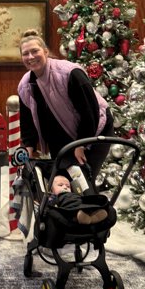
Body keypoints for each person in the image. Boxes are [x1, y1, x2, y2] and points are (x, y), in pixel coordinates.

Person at [17, 30, 114, 181]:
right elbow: (27, 120)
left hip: (94, 129)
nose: (30, 57)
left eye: (35, 51)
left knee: (83, 180)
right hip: (60, 136)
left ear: (46, 51)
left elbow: (90, 112)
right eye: (25, 53)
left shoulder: (70, 73)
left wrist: (82, 144)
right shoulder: (25, 85)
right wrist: (28, 146)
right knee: (61, 181)